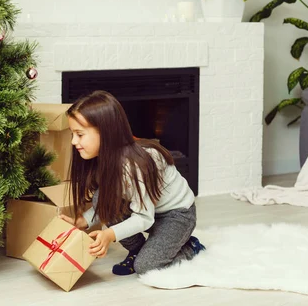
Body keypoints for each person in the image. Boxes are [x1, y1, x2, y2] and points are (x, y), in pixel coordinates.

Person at [59, 90, 204, 276]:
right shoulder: (103, 158)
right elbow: (105, 199)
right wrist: (83, 221)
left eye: (79, 134)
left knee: (146, 267)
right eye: (72, 134)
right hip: (149, 211)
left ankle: (190, 246)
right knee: (101, 196)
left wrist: (110, 234)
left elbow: (144, 217)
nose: (73, 141)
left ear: (105, 132)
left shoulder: (133, 166)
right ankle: (137, 250)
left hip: (176, 215)